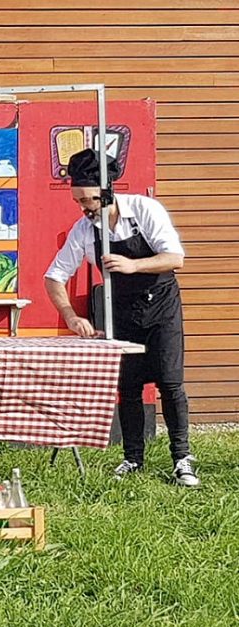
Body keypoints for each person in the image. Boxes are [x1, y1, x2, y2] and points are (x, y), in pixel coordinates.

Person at [43, 148, 198, 487]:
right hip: (121, 312)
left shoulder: (144, 210)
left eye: (87, 199)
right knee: (127, 387)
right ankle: (132, 458)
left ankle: (182, 458)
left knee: (170, 383)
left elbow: (175, 258)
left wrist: (133, 265)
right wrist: (69, 315)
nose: (83, 207)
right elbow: (54, 276)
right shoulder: (84, 230)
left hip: (161, 308)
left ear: (107, 191)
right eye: (78, 200)